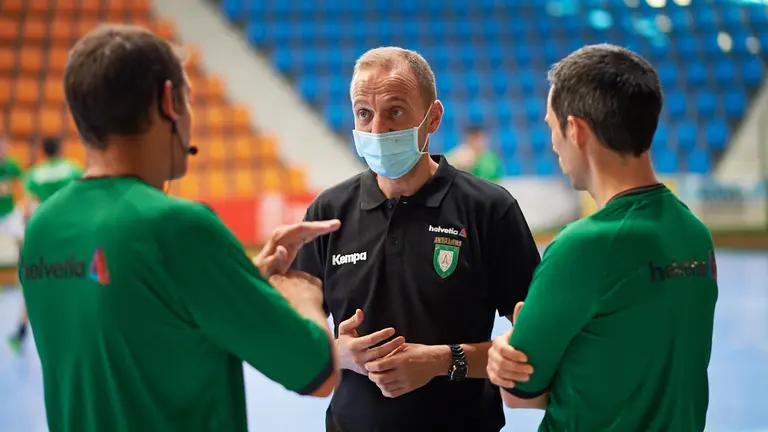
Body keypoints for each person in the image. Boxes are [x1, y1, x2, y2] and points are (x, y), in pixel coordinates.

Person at [19, 25, 341, 432]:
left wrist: (243, 280)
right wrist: (302, 294)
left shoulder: (42, 227)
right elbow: (316, 371)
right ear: (168, 102)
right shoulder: (178, 227)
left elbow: (144, 320)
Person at [293, 46, 541, 432]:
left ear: (433, 118)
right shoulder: (329, 211)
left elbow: (535, 344)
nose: (377, 130)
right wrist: (337, 354)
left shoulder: (489, 209)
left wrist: (444, 360)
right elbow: (295, 333)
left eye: (394, 111)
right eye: (364, 113)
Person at [486, 44, 718, 431]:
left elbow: (519, 390)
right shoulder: (694, 233)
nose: (553, 143)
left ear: (576, 131)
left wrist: (503, 350)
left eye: (552, 127)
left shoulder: (584, 247)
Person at [7, 137, 83, 353]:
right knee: (72, 281)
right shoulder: (73, 169)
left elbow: (27, 210)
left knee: (34, 282)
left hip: (44, 237)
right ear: (60, 149)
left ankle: (21, 331)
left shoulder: (34, 175)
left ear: (42, 151)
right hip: (69, 236)